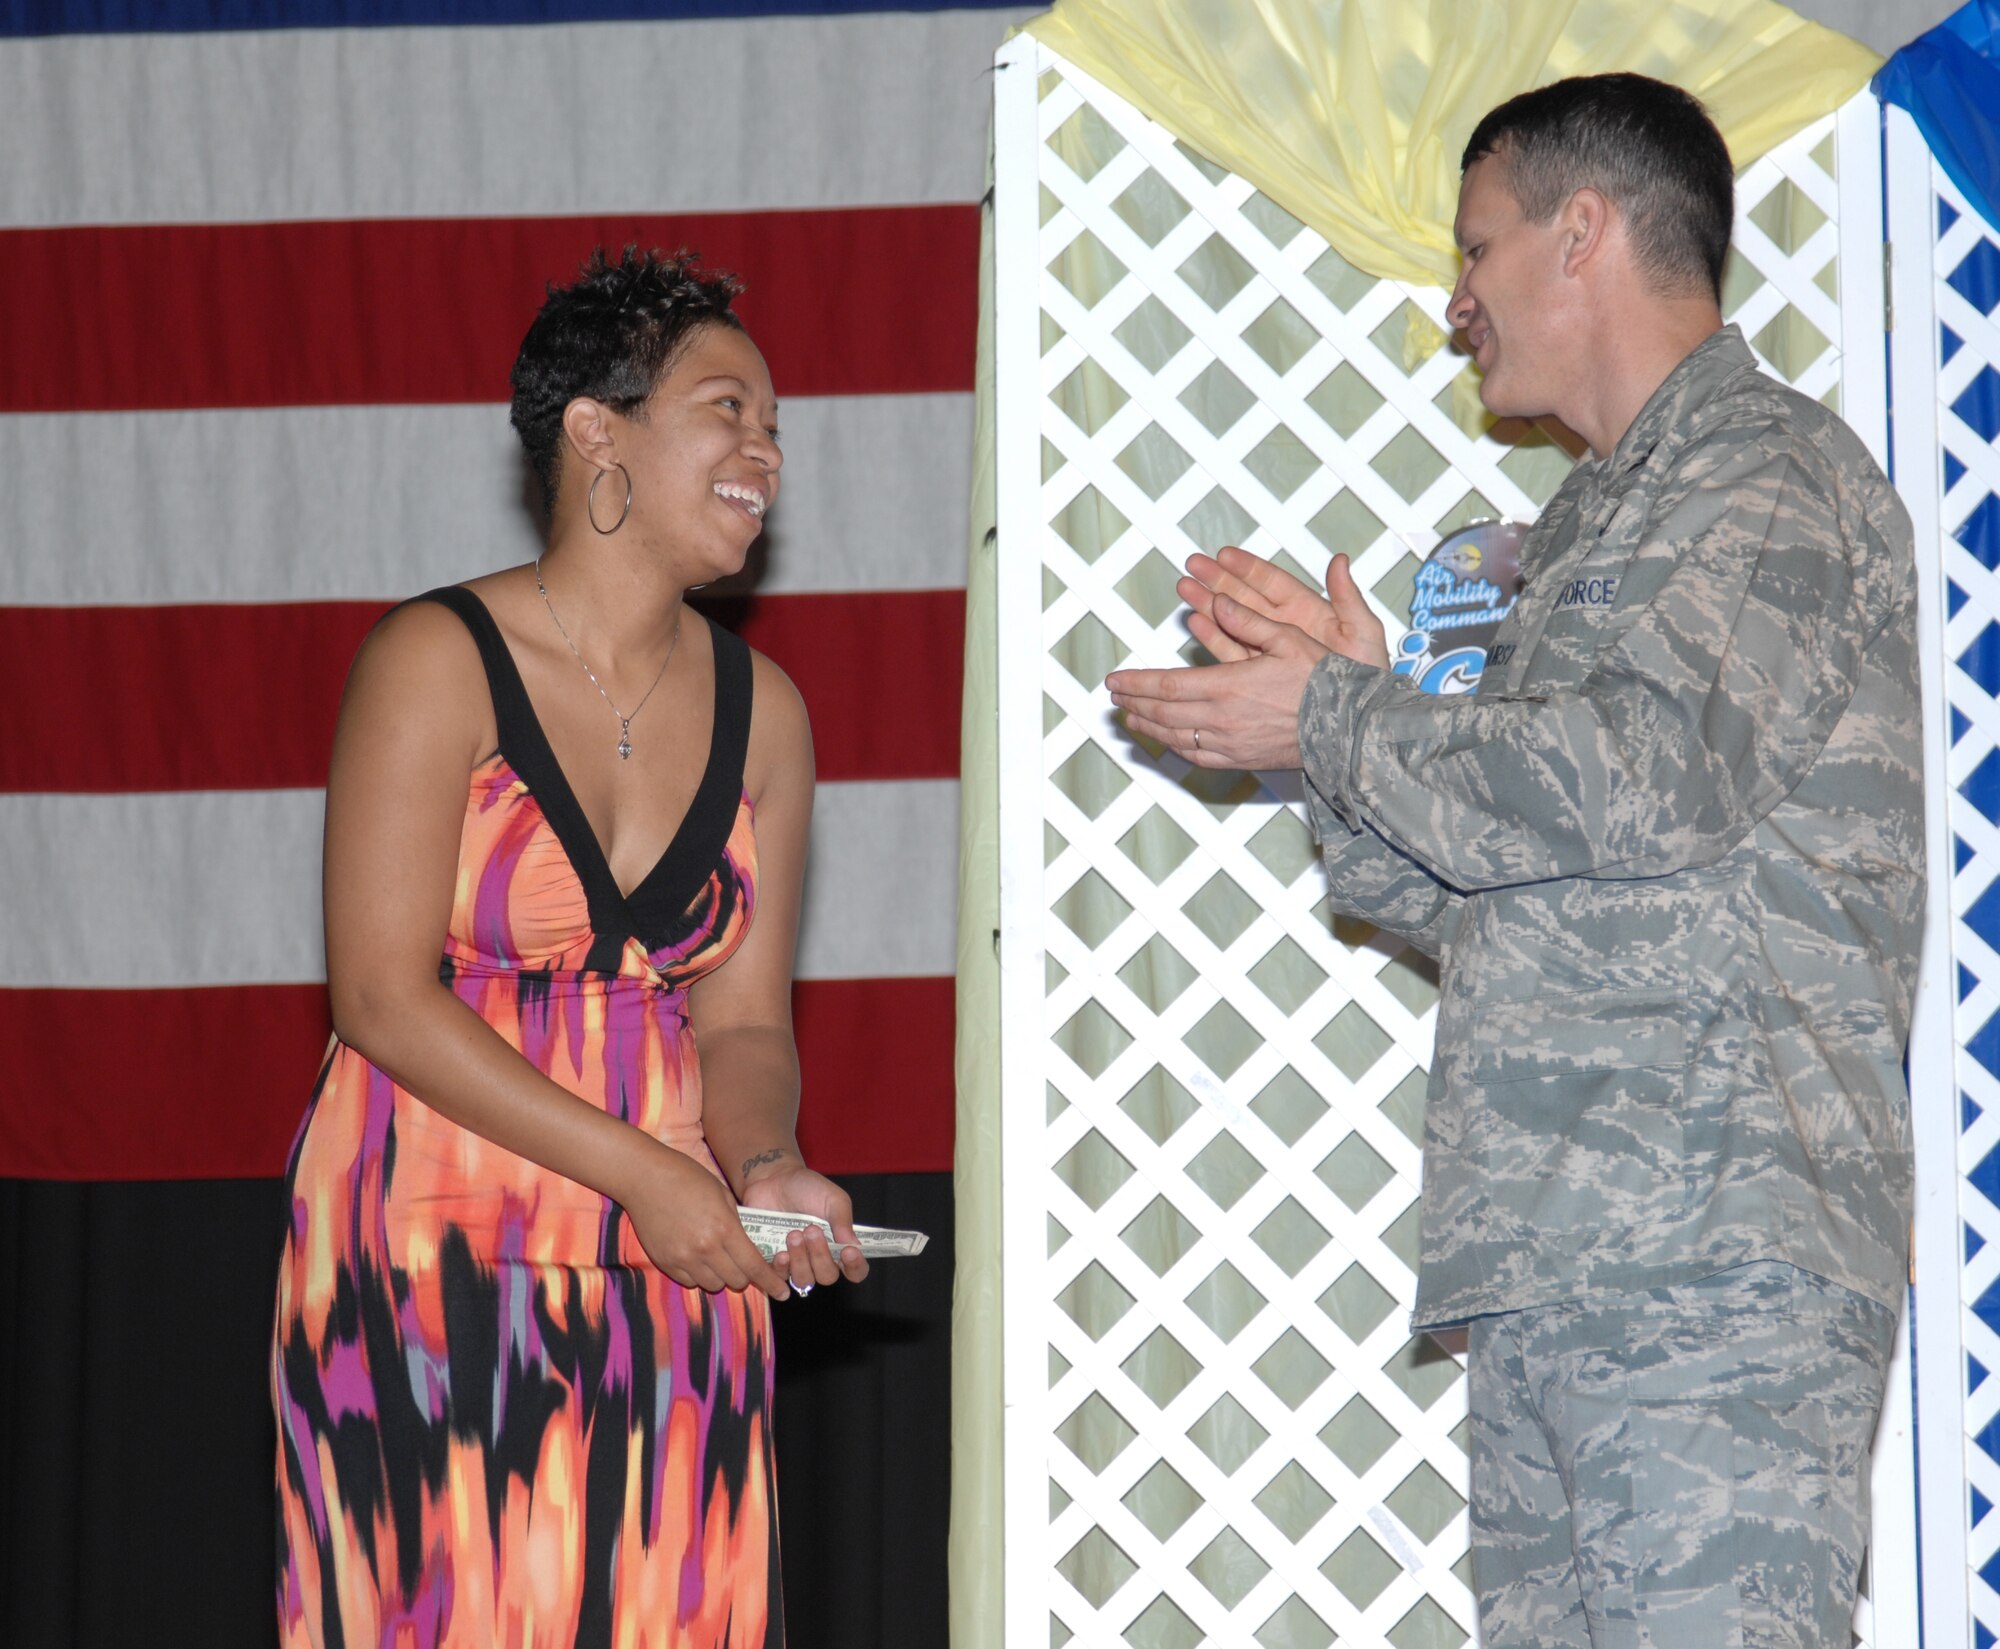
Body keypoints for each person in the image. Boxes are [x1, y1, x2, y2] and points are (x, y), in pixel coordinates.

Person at [1109, 75, 1922, 1648]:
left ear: (1585, 232)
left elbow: (1644, 777)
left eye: (1477, 248)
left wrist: (1339, 715)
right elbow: (1470, 894)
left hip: (1712, 1259)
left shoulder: (1762, 476)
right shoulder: (1590, 530)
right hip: (1559, 1257)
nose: (1454, 298)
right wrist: (1338, 732)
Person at [271, 247, 866, 1647]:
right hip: (429, 1257)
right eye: (727, 408)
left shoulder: (766, 709)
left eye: (775, 422)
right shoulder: (433, 658)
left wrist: (765, 1166)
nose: (766, 449)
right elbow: (376, 993)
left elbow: (743, 1025)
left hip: (678, 1261)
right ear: (597, 430)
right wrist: (647, 1173)